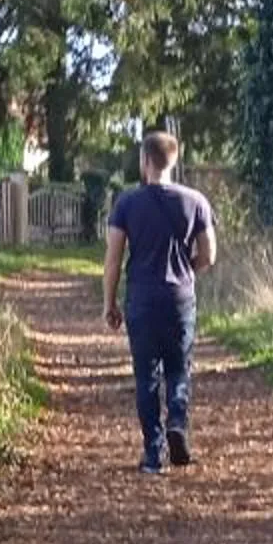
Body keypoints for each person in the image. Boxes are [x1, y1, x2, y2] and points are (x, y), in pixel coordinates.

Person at [102, 128, 217, 472]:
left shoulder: (126, 203)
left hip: (142, 299)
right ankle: (177, 425)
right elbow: (209, 254)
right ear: (174, 160)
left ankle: (153, 454)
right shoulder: (196, 201)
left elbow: (113, 259)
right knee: (179, 368)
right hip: (180, 298)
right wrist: (187, 271)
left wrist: (109, 303)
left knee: (146, 376)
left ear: (144, 162)